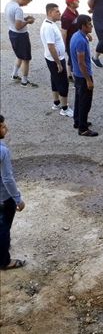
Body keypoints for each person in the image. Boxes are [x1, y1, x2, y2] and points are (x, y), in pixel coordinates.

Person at [0, 114, 27, 271]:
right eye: (3, 126)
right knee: (3, 228)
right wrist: (18, 199)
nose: (6, 128)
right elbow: (7, 179)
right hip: (3, 198)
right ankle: (4, 261)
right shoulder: (2, 151)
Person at [40, 3, 72, 117]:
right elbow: (51, 46)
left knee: (54, 79)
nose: (60, 13)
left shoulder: (50, 24)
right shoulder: (48, 27)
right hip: (55, 59)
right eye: (57, 11)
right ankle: (64, 108)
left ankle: (56, 102)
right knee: (63, 82)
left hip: (53, 58)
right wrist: (58, 63)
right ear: (50, 13)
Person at [70, 15, 98, 137]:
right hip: (83, 76)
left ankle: (78, 121)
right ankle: (83, 128)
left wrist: (87, 35)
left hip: (77, 74)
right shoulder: (81, 41)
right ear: (83, 26)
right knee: (85, 102)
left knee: (78, 99)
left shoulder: (77, 36)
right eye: (89, 24)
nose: (92, 26)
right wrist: (88, 80)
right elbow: (81, 62)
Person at [5, 0, 37, 88]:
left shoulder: (9, 4)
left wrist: (24, 18)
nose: (26, 5)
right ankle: (24, 81)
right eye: (26, 2)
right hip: (20, 36)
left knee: (19, 55)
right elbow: (18, 26)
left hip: (12, 33)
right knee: (26, 59)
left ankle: (14, 75)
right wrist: (28, 21)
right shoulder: (18, 9)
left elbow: (14, 20)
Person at [61, 0, 81, 82]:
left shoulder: (75, 12)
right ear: (71, 3)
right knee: (74, 60)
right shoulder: (66, 16)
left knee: (71, 58)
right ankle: (75, 78)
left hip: (75, 40)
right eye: (76, 0)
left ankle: (69, 75)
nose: (78, 2)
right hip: (71, 42)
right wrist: (64, 45)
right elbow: (64, 32)